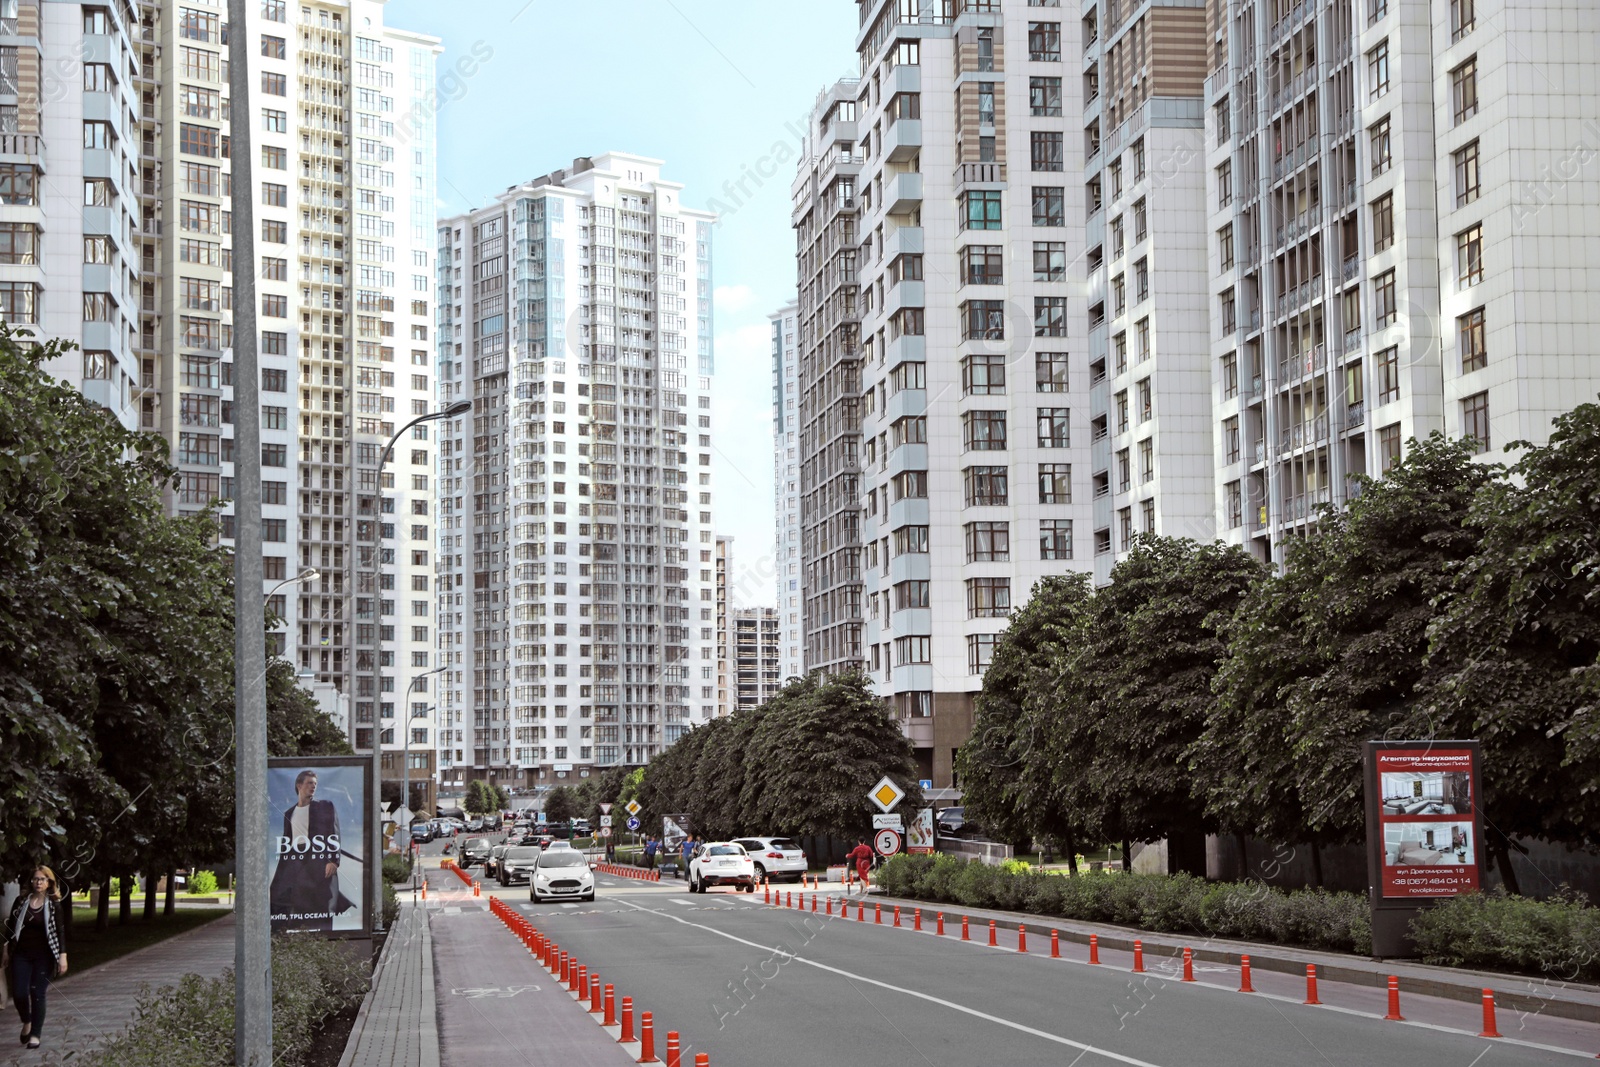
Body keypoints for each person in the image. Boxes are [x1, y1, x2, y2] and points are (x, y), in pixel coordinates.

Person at [269, 769, 356, 934]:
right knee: (293, 905)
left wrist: (333, 860)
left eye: (315, 784)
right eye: (309, 783)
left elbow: (334, 833)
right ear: (299, 785)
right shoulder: (289, 813)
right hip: (296, 863)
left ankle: (324, 941)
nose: (313, 787)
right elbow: (286, 844)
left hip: (318, 861)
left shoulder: (325, 806)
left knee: (322, 904)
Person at [3, 866, 67, 1049]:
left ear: (49, 883)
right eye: (36, 879)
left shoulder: (54, 905)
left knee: (37, 993)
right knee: (19, 994)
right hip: (21, 954)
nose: (39, 882)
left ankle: (35, 1035)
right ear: (31, 882)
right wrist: (5, 950)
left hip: (44, 957)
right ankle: (27, 1021)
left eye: (43, 879)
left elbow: (60, 931)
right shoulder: (21, 901)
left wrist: (63, 956)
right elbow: (10, 928)